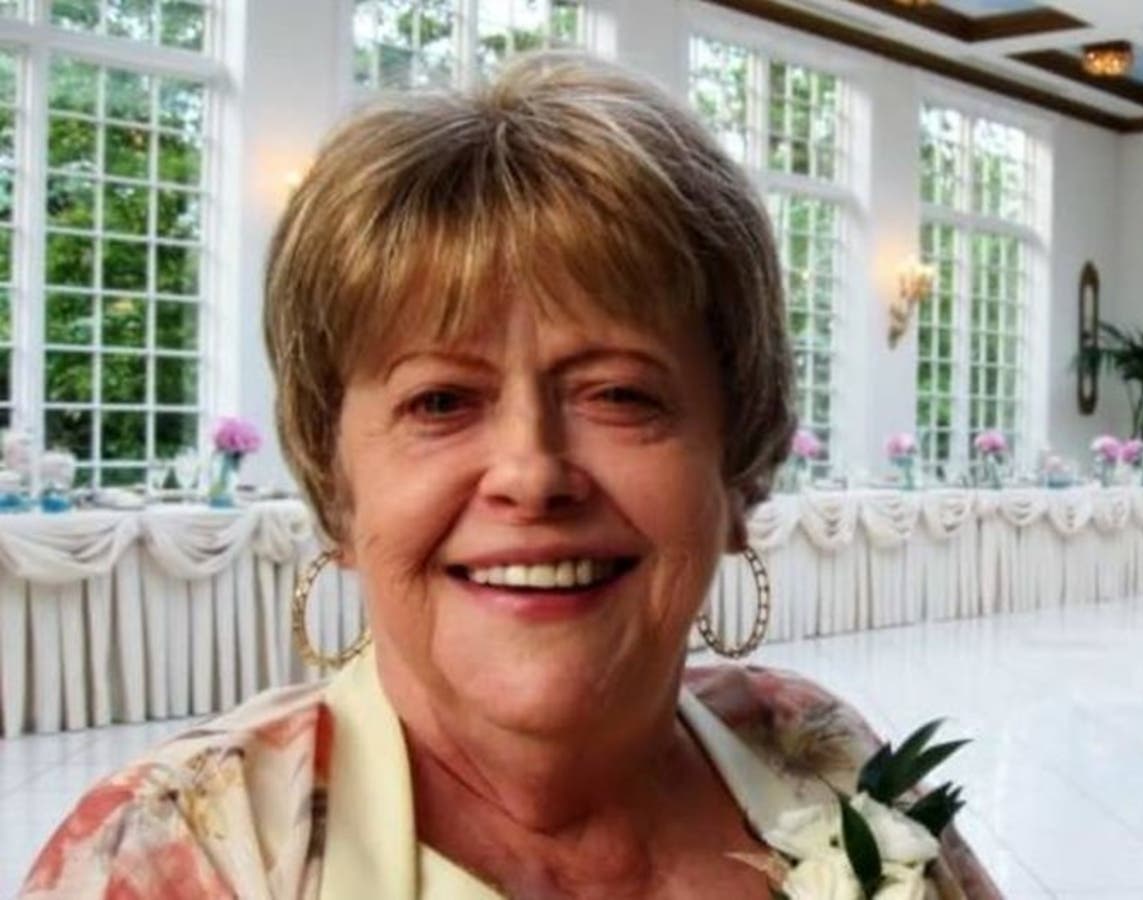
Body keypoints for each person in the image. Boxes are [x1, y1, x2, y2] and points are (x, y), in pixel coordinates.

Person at [22, 53, 999, 898]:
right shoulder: (174, 856)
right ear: (336, 484)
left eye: (619, 393)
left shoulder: (823, 754)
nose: (532, 475)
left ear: (737, 460)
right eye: (441, 401)